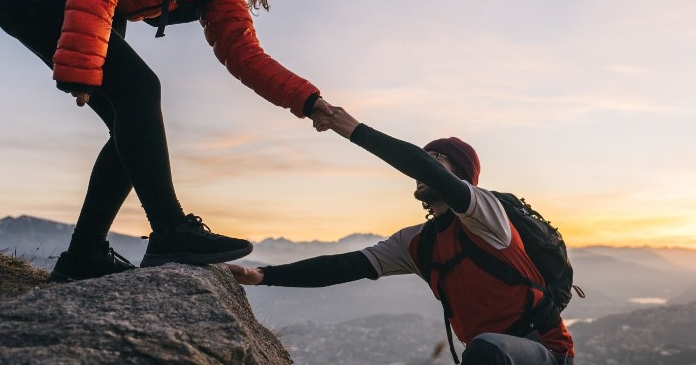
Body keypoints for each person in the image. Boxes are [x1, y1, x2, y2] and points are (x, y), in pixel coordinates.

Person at [0, 0, 338, 282]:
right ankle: (170, 229)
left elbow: (243, 53)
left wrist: (309, 100)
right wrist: (81, 62)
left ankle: (85, 252)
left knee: (132, 125)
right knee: (140, 91)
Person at [228, 105, 575, 364]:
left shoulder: (487, 216)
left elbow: (425, 169)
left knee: (487, 349)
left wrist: (354, 130)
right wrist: (263, 276)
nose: (424, 164)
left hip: (544, 352)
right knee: (485, 349)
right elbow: (347, 265)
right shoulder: (417, 244)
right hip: (490, 355)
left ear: (461, 176)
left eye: (437, 158)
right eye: (425, 157)